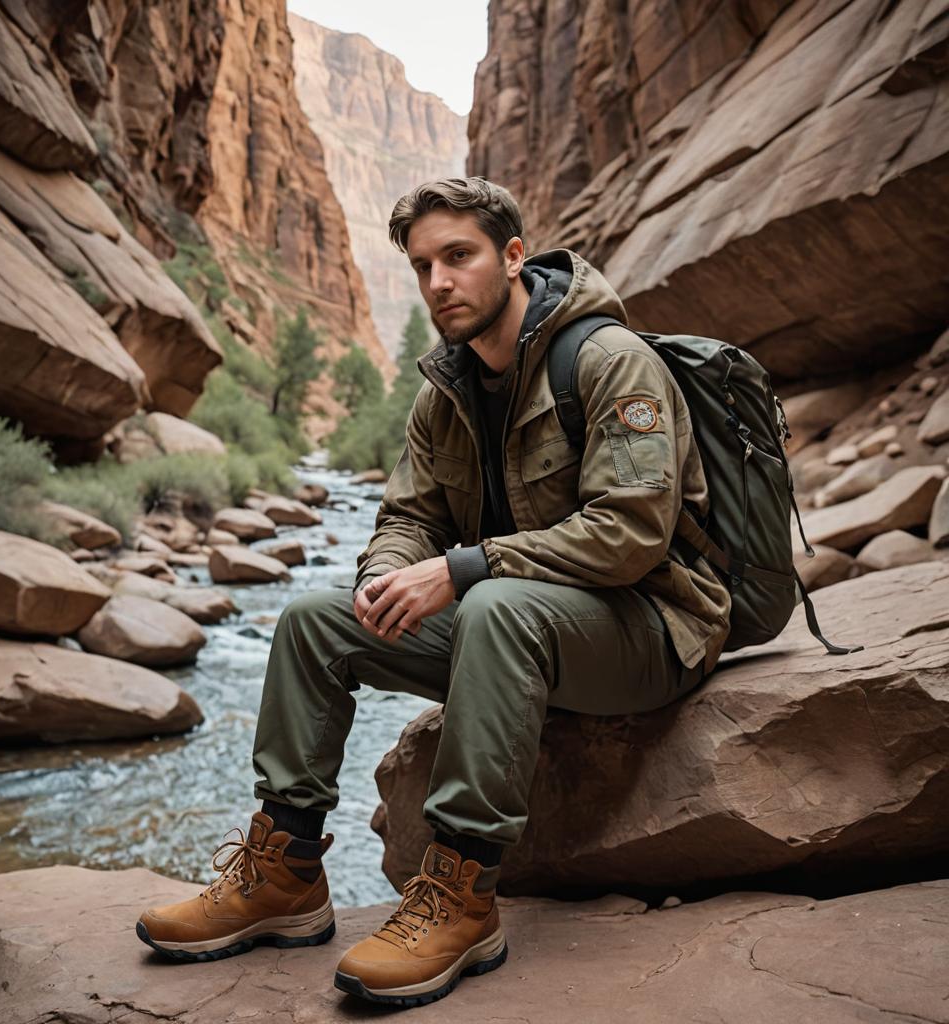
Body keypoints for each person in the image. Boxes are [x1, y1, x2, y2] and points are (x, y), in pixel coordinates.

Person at [136, 177, 731, 1007]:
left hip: (652, 627)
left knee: (493, 601)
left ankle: (461, 892)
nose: (439, 283)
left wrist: (459, 570)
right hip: (525, 627)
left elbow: (632, 534)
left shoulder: (606, 361)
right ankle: (287, 873)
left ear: (514, 257)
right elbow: (406, 516)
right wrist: (385, 574)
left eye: (460, 257)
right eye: (422, 267)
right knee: (315, 618)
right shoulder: (444, 390)